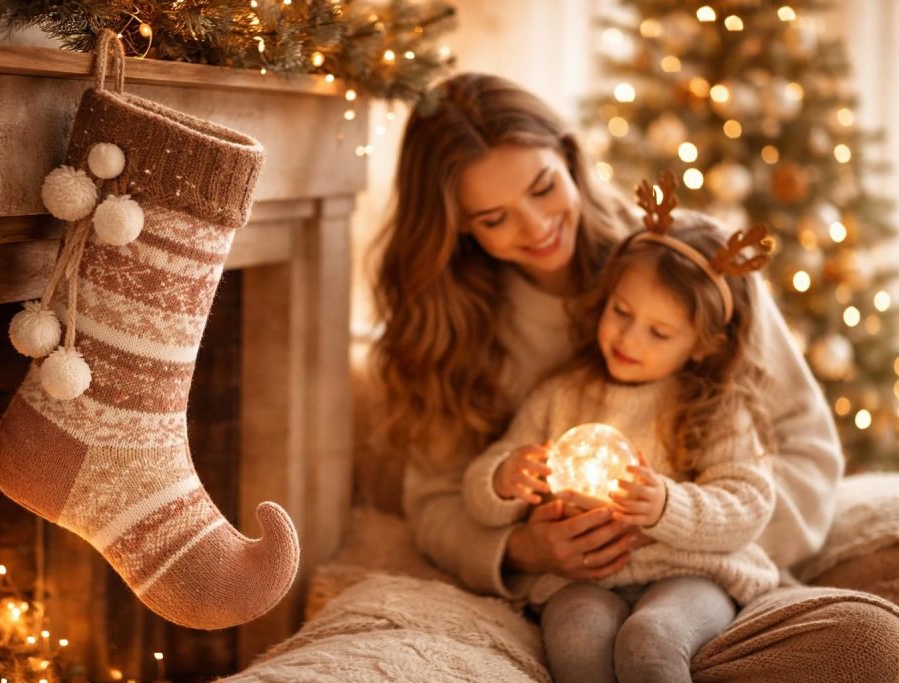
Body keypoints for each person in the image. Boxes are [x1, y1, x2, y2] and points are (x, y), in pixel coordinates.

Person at [371, 72, 899, 681]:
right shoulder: (460, 330)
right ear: (458, 224)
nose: (537, 226)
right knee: (591, 642)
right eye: (495, 218)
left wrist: (679, 537)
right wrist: (525, 550)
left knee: (868, 643)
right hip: (572, 590)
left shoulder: (692, 265)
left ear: (570, 158)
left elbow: (804, 452)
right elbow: (441, 499)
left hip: (713, 580)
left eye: (544, 187)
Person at [463, 190, 779, 681]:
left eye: (659, 332)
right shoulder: (561, 394)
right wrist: (504, 478)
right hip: (581, 578)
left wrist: (665, 505)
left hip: (690, 574)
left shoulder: (716, 408)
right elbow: (480, 494)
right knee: (577, 639)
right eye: (622, 312)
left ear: (703, 345)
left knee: (650, 639)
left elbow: (749, 504)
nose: (629, 339)